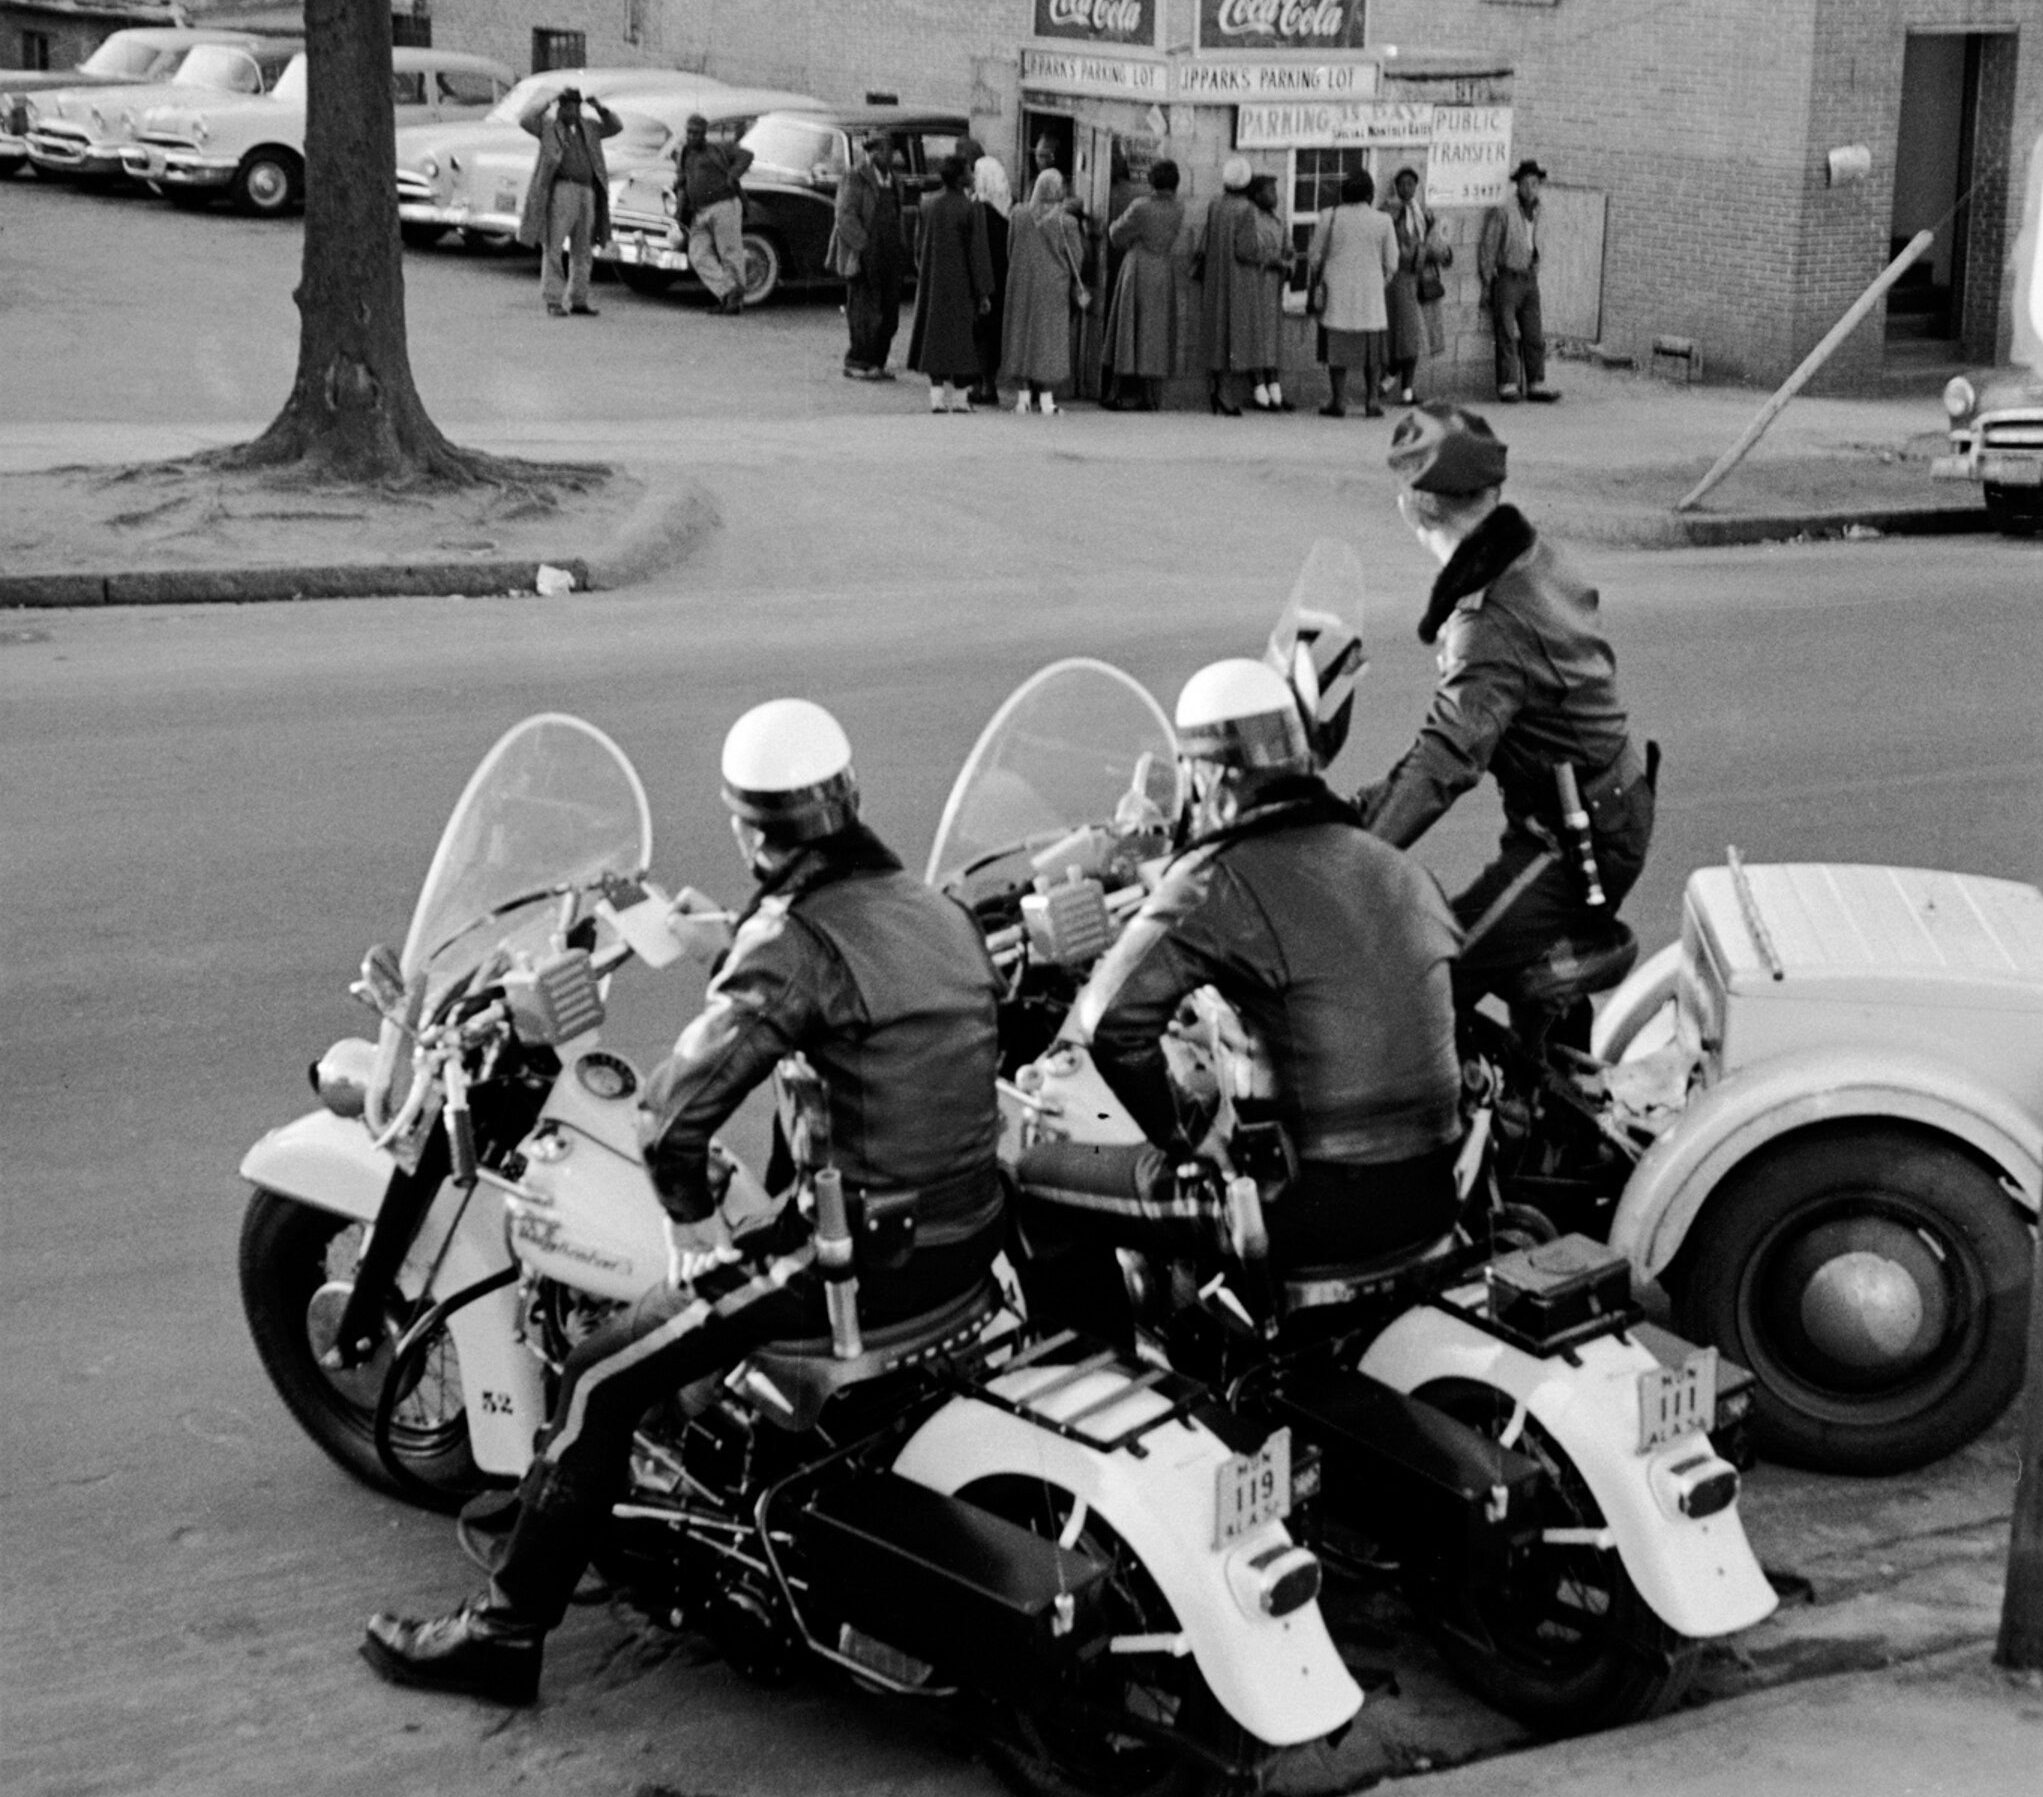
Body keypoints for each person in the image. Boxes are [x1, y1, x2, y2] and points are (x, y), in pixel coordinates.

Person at [361, 701, 1007, 1708]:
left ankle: (501, 1633)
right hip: (964, 1243)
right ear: (848, 801)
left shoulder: (791, 940)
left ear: (751, 829)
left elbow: (670, 1123)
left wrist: (693, 1234)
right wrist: (730, 939)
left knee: (593, 1378)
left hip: (853, 1272)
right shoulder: (931, 910)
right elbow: (855, 1014)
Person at [1013, 655, 1462, 1342]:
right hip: (1433, 1195)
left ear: (1211, 774)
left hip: (1301, 1211)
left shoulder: (1215, 877)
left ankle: (1099, 1396)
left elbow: (1110, 1024)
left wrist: (1183, 1141)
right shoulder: (1392, 864)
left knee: (1036, 1179)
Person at [1358, 406, 1655, 1008]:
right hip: (1598, 806)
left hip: (1577, 842)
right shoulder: (1529, 558)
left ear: (1412, 507)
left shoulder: (1491, 620)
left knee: (1431, 981)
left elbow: (1445, 759)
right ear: (1493, 492)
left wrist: (1355, 854)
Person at [516, 85, 623, 317]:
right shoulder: (548, 127)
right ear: (560, 107)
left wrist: (601, 108)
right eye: (566, 105)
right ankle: (553, 299)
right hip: (562, 189)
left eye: (575, 105)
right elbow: (524, 119)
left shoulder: (590, 127)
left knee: (583, 248)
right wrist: (548, 100)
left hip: (587, 191)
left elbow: (616, 127)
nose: (571, 110)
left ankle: (579, 299)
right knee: (554, 246)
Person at [1308, 164, 1397, 420]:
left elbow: (1314, 257)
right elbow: (1392, 262)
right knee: (1372, 354)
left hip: (1337, 291)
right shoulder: (1383, 220)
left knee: (1337, 350)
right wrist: (1381, 282)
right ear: (1370, 194)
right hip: (1371, 294)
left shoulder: (1329, 216)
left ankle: (1339, 401)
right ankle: (1371, 401)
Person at [908, 153, 994, 412]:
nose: (972, 175)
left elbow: (918, 247)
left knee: (934, 338)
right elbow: (977, 253)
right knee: (961, 341)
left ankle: (936, 399)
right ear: (960, 179)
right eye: (969, 171)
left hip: (933, 284)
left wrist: (926, 271)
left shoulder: (927, 204)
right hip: (961, 286)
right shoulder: (970, 208)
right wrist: (984, 292)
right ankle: (960, 400)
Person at [1100, 158, 1184, 410]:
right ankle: (1150, 397)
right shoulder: (1178, 209)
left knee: (1126, 330)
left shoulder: (1141, 206)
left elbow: (1115, 234)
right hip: (1162, 269)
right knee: (1154, 334)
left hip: (1137, 267)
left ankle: (1114, 393)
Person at [1000, 165, 1084, 414]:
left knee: (1021, 337)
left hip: (1021, 283)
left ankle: (1023, 399)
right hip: (1053, 287)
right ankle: (1047, 401)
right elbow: (1076, 258)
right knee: (1048, 340)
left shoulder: (1018, 214)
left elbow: (1010, 248)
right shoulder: (1066, 221)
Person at [1477, 159, 1560, 404]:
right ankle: (1508, 384)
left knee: (1534, 333)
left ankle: (1536, 383)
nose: (1530, 189)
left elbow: (1539, 240)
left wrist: (1538, 263)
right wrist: (1487, 279)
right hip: (1507, 276)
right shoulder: (1504, 210)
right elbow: (1489, 246)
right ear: (1518, 185)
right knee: (1506, 333)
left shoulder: (1540, 210)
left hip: (1529, 278)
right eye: (1525, 184)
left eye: (1535, 184)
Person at [1196, 155, 1274, 417]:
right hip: (1239, 280)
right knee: (1234, 337)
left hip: (1215, 278)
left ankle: (1216, 389)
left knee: (1217, 334)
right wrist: (1265, 255)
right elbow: (1247, 250)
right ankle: (1225, 395)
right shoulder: (1246, 209)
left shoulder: (1215, 204)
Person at [833, 132, 906, 383]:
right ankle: (858, 361)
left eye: (891, 150)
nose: (890, 155)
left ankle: (878, 361)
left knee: (888, 310)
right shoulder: (856, 176)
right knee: (864, 309)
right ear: (873, 152)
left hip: (891, 252)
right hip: (866, 252)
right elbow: (845, 215)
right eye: (885, 150)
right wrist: (863, 246)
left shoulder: (894, 180)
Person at [1382, 165, 1450, 408]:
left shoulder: (1422, 212)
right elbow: (1394, 248)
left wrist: (1440, 251)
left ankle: (1401, 385)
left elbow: (1435, 239)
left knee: (1419, 334)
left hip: (1423, 278)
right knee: (1406, 334)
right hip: (1401, 277)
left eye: (1412, 184)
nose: (1407, 188)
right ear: (1395, 186)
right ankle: (1396, 381)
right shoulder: (1389, 212)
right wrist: (1423, 253)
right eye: (1403, 184)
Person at [674, 113, 753, 312]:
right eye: (689, 132)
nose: (692, 136)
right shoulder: (685, 153)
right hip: (699, 211)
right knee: (697, 254)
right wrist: (679, 211)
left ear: (704, 133)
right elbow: (682, 181)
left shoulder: (718, 149)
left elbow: (746, 155)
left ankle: (734, 302)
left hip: (724, 205)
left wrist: (733, 176)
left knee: (729, 252)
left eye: (697, 133)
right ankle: (727, 291)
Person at [968, 139, 1012, 402]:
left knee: (978, 332)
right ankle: (989, 383)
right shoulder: (1008, 212)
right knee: (993, 333)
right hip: (1002, 280)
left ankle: (980, 385)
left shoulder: (977, 212)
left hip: (981, 281)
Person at [1243, 174, 1292, 412]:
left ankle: (1276, 391)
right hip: (1253, 284)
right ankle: (1259, 391)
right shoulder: (1248, 218)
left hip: (1273, 286)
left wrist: (1286, 263)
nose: (1275, 196)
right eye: (1270, 191)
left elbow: (1289, 250)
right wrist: (1273, 260)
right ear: (1256, 194)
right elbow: (1249, 251)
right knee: (1255, 338)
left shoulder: (1277, 221)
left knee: (1271, 339)